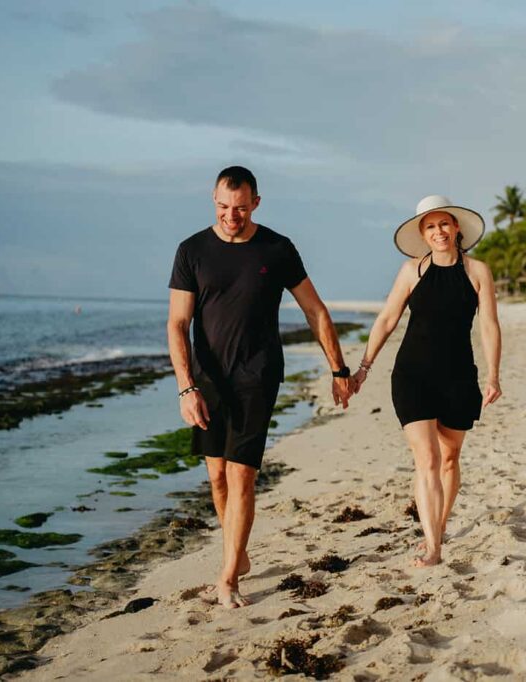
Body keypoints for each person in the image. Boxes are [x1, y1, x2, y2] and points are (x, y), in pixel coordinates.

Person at [166, 166, 353, 607]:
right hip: (208, 379)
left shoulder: (277, 248)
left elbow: (315, 311)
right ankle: (238, 552)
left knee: (241, 475)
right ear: (214, 201)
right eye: (224, 207)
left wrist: (339, 370)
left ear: (256, 203)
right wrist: (186, 387)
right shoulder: (192, 251)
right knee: (217, 476)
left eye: (241, 208)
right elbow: (177, 323)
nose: (232, 216)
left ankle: (228, 577)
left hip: (258, 375)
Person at [352, 194, 502, 567]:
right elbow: (387, 318)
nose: (439, 232)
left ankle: (438, 524)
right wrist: (365, 366)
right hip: (413, 375)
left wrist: (494, 374)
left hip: (458, 376)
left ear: (456, 227)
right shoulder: (411, 271)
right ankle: (433, 546)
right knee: (428, 458)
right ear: (423, 234)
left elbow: (488, 324)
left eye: (444, 224)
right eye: (430, 227)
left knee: (450, 458)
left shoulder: (477, 271)